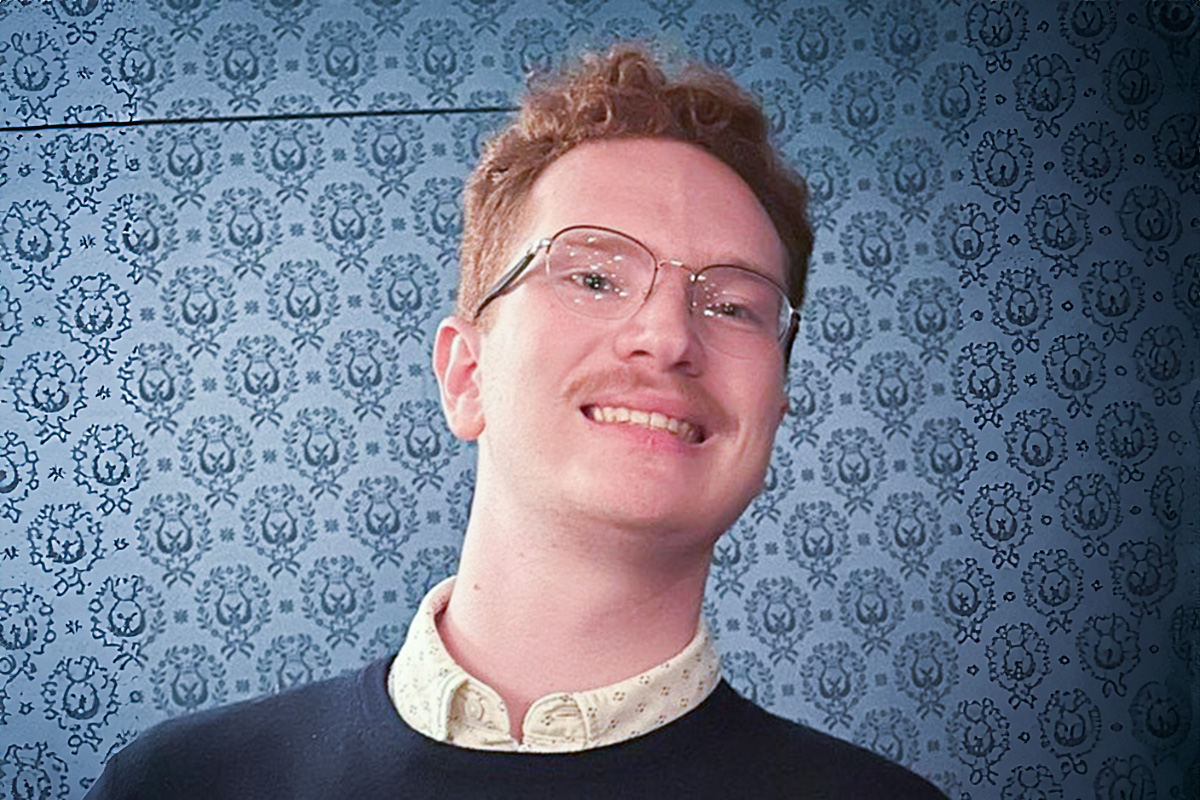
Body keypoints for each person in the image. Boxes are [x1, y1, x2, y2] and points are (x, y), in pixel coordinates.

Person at [86, 44, 948, 799]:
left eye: (730, 304)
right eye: (596, 277)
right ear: (467, 375)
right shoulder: (181, 783)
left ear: (774, 410)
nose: (668, 336)